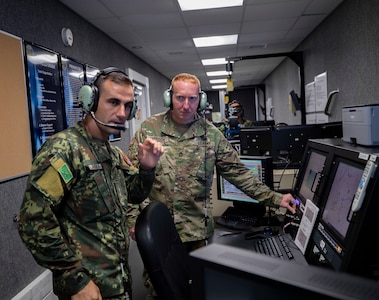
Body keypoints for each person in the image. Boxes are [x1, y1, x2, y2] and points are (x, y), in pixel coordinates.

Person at [126, 73, 296, 299]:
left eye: (192, 99)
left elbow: (238, 174)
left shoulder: (211, 135)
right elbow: (128, 179)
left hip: (196, 234)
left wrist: (276, 198)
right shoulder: (149, 129)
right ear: (169, 98)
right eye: (180, 98)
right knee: (161, 292)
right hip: (161, 235)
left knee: (198, 291)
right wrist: (132, 219)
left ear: (201, 100)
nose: (186, 105)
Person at [17, 67, 164, 300]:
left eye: (128, 106)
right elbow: (33, 221)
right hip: (87, 288)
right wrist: (75, 279)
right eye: (113, 102)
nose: (121, 112)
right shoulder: (64, 149)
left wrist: (147, 168)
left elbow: (133, 194)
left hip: (117, 280)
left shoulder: (111, 153)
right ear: (90, 101)